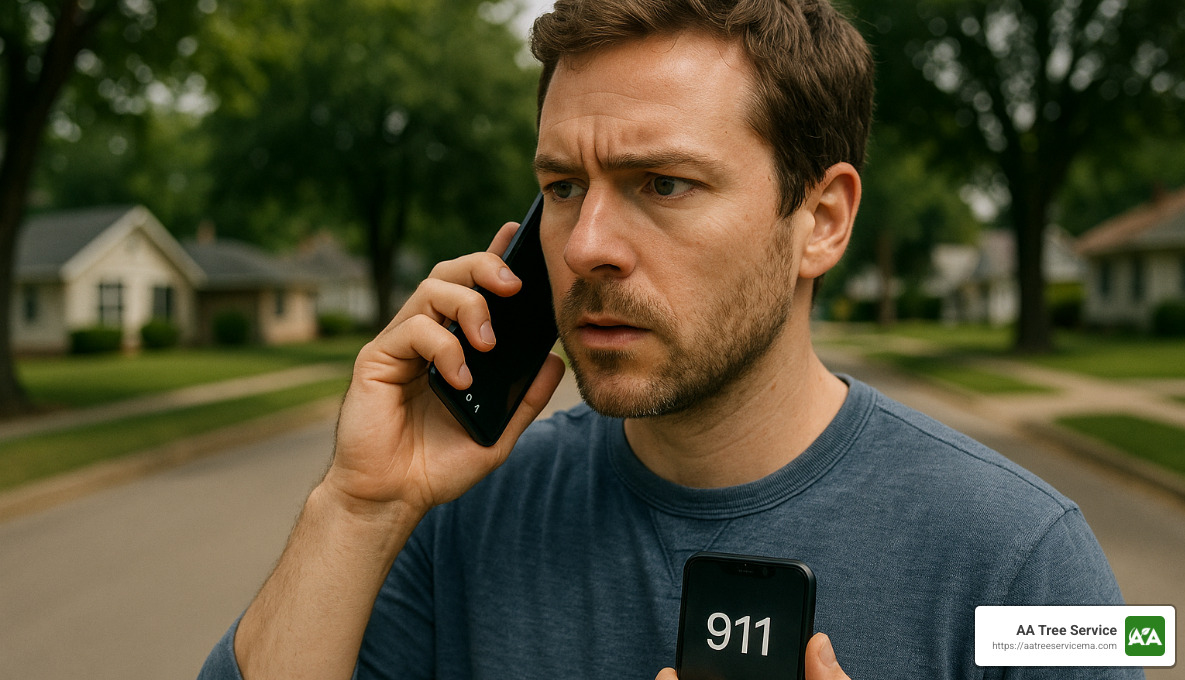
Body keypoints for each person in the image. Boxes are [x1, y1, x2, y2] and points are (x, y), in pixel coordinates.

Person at [201, 1, 1137, 678]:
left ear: (821, 220)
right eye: (564, 187)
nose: (586, 247)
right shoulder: (464, 514)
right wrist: (359, 508)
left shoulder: (1023, 562)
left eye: (663, 184)